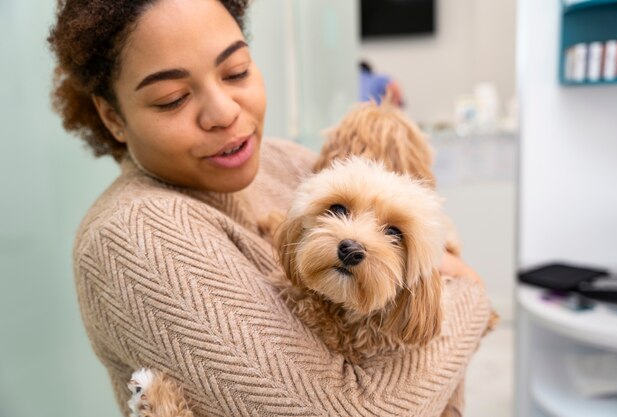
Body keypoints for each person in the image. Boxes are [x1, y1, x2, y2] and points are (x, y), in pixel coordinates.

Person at [48, 0, 491, 415]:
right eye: (173, 98)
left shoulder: (284, 160)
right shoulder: (133, 233)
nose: (223, 113)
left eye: (236, 71)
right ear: (111, 117)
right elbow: (344, 409)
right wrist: (471, 295)